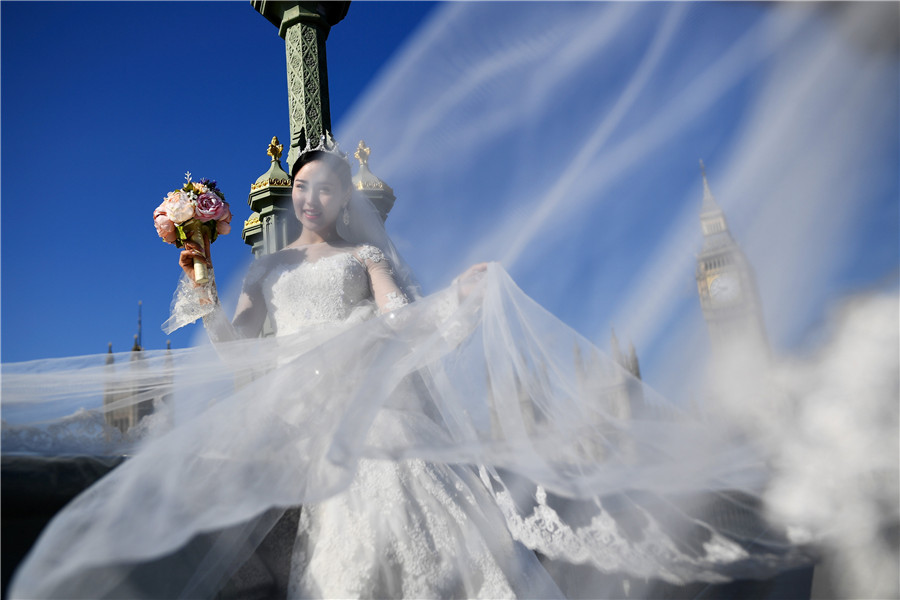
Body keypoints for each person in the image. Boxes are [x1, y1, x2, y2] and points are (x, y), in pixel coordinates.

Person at [6, 135, 813, 599]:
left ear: (346, 197)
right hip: (309, 434)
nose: (312, 198)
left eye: (325, 186)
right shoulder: (262, 272)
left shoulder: (364, 255)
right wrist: (202, 283)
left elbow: (404, 323)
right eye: (302, 187)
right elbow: (239, 350)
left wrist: (455, 298)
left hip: (384, 425)